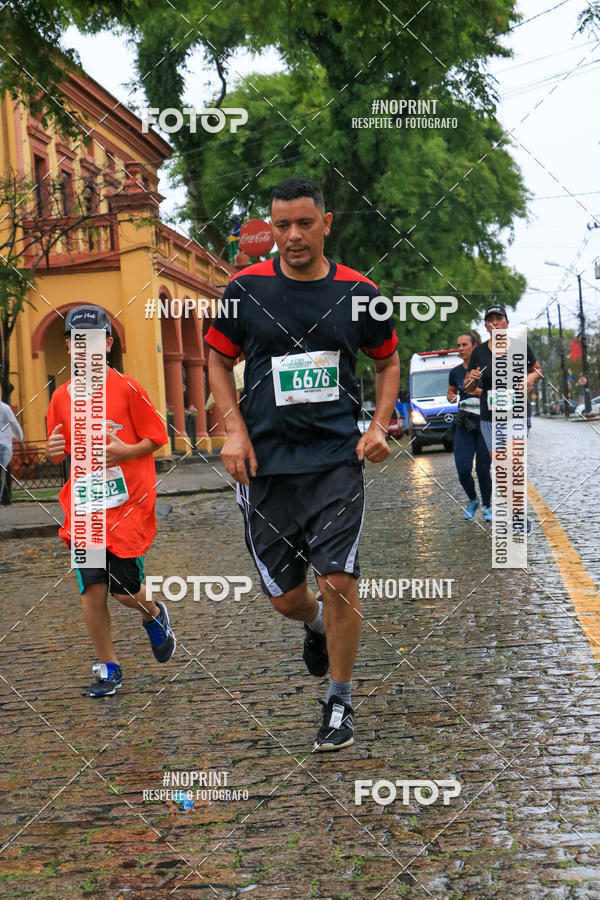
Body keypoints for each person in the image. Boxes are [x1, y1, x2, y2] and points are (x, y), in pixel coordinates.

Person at [206, 176, 400, 752]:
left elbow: (387, 362)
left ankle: (339, 701)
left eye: (304, 223)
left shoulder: (362, 292)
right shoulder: (245, 289)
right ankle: (312, 625)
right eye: (281, 225)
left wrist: (379, 426)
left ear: (326, 224)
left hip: (336, 460)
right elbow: (215, 360)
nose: (292, 236)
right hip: (264, 464)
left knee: (339, 579)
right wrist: (233, 430)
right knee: (287, 599)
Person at [46, 305, 176, 697]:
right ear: (69, 347)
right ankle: (108, 666)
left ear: (108, 343)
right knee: (92, 588)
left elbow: (157, 438)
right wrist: (54, 450)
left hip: (127, 505)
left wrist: (125, 451)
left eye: (96, 340)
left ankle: (154, 614)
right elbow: (58, 450)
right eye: (78, 341)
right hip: (86, 506)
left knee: (123, 590)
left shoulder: (128, 388)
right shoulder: (62, 397)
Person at [464, 305, 543, 531]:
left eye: (499, 319)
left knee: (513, 461)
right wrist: (471, 378)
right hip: (491, 418)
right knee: (501, 467)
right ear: (487, 326)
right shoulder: (478, 353)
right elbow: (469, 388)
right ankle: (516, 513)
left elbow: (538, 370)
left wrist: (530, 379)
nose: (495, 323)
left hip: (517, 412)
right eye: (490, 320)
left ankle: (518, 515)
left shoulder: (519, 347)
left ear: (507, 323)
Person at [447, 331, 492, 521]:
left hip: (484, 422)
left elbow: (497, 393)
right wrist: (451, 397)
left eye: (464, 345)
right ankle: (472, 500)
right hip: (464, 423)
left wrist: (476, 391)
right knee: (463, 468)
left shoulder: (488, 368)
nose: (460, 349)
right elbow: (450, 393)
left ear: (475, 346)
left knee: (483, 468)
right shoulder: (455, 372)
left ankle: (487, 507)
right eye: (458, 345)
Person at [0, 399, 24, 505]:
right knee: (1, 473)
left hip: (2, 446)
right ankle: (5, 498)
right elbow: (14, 424)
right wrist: (21, 439)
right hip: (4, 446)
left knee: (1, 473)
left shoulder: (4, 408)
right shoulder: (5, 408)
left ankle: (4, 498)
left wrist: (20, 438)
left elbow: (14, 424)